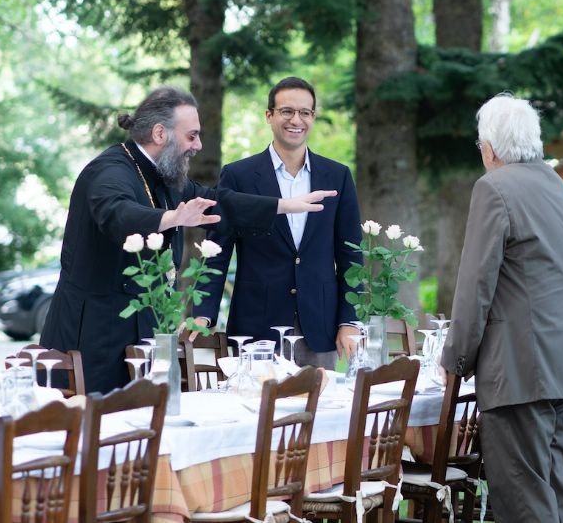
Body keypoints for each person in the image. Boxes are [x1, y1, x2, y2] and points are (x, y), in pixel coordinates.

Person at [40, 86, 337, 394]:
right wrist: (172, 218)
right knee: (96, 423)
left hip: (139, 337)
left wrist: (284, 205)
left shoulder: (164, 176)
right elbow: (117, 213)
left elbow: (220, 202)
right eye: (192, 136)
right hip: (91, 340)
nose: (198, 145)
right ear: (160, 133)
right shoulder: (108, 170)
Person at [440, 93, 563, 522]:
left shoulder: (493, 187)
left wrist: (456, 360)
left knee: (525, 503)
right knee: (560, 498)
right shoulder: (555, 184)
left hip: (520, 371)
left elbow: (475, 285)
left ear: (489, 148)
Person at [191, 77, 362, 369]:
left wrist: (349, 321)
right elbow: (216, 251)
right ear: (269, 115)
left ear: (313, 117)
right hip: (256, 328)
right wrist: (203, 313)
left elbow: (351, 256)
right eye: (287, 111)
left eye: (305, 112)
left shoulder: (338, 176)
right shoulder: (238, 176)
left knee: (322, 399)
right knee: (255, 400)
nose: (296, 120)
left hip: (319, 327)